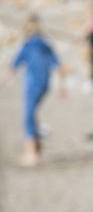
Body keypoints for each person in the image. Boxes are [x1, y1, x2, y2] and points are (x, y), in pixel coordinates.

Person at [1, 15, 65, 166]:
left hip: (33, 85)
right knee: (32, 114)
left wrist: (2, 82)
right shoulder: (46, 44)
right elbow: (58, 65)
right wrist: (62, 86)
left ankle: (31, 154)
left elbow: (13, 67)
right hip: (45, 84)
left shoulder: (28, 45)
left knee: (28, 116)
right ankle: (37, 149)